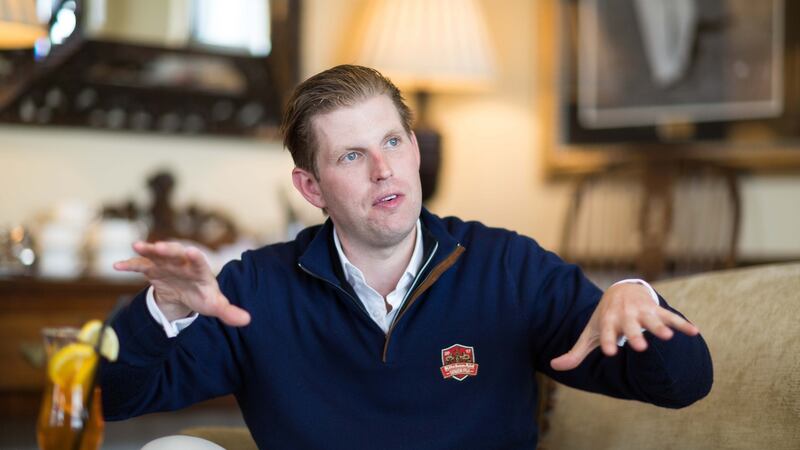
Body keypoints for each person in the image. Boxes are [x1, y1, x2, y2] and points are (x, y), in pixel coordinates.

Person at [102, 65, 712, 449]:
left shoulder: (507, 268)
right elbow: (113, 399)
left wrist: (639, 297)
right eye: (350, 156)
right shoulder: (255, 289)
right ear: (311, 189)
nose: (382, 168)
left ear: (415, 150)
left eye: (392, 141)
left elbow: (683, 385)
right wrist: (162, 309)